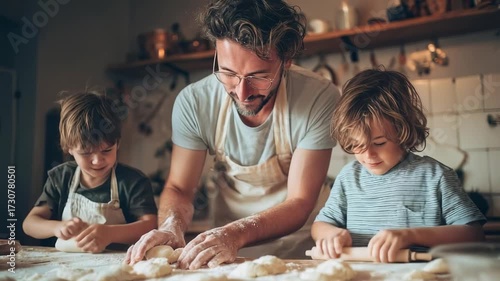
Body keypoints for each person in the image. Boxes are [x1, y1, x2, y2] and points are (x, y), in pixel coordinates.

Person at [125, 0, 340, 269]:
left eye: (259, 76)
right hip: (226, 257)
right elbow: (180, 188)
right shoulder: (194, 102)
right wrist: (172, 227)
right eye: (228, 73)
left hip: (302, 254)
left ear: (286, 61)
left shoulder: (318, 97)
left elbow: (299, 201)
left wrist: (233, 234)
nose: (242, 92)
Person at [312, 69, 486, 263]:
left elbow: (473, 234)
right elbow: (320, 225)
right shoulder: (348, 178)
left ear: (403, 131)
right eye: (357, 145)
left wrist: (411, 235)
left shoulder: (435, 176)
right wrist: (330, 234)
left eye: (379, 143)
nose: (368, 155)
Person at [23, 91, 158, 253]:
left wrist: (110, 233)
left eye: (107, 150)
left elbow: (150, 226)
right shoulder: (61, 177)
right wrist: (57, 227)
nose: (97, 160)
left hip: (119, 266)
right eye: (86, 153)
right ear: (69, 148)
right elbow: (29, 224)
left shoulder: (133, 181)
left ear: (118, 143)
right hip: (65, 267)